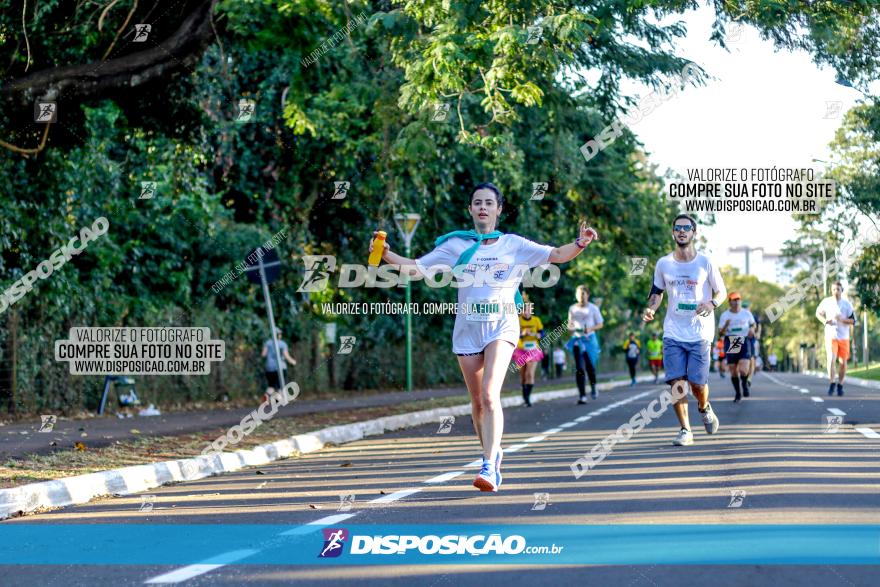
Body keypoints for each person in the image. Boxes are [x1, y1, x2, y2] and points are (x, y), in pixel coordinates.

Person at [370, 182, 599, 492]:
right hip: (467, 331)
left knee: (491, 395)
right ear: (470, 209)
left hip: (502, 327)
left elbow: (557, 254)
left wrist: (581, 243)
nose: (482, 207)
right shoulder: (455, 246)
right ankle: (492, 451)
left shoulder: (513, 245)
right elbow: (416, 270)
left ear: (498, 210)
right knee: (477, 402)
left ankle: (489, 466)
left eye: (489, 203)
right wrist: (385, 255)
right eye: (477, 202)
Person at [643, 213, 727, 446]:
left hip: (700, 333)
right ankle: (685, 430)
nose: (681, 231)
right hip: (673, 332)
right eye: (677, 228)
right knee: (677, 383)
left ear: (693, 233)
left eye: (686, 228)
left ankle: (704, 406)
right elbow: (656, 292)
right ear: (673, 232)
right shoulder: (663, 264)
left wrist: (711, 304)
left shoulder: (705, 262)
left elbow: (722, 292)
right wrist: (651, 309)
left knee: (697, 384)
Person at [815, 281, 856, 396]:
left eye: (838, 289)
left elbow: (853, 321)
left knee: (843, 362)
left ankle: (840, 385)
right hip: (831, 336)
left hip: (844, 337)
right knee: (831, 359)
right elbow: (818, 313)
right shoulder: (826, 302)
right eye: (834, 289)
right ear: (831, 291)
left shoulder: (847, 304)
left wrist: (842, 320)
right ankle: (832, 382)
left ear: (841, 290)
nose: (836, 291)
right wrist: (824, 321)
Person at [566, 285, 604, 403]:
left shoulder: (593, 308)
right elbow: (570, 324)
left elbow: (600, 324)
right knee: (579, 368)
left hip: (590, 341)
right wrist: (570, 329)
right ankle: (582, 395)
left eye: (583, 294)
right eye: (578, 294)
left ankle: (593, 386)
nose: (581, 296)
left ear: (588, 295)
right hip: (577, 340)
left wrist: (590, 329)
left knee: (590, 368)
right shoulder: (572, 308)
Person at [718, 292, 756, 403]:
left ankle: (744, 384)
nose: (737, 301)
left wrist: (753, 329)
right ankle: (738, 393)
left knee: (744, 370)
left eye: (738, 299)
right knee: (733, 371)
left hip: (743, 340)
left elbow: (753, 324)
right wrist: (726, 325)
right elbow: (720, 333)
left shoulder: (746, 313)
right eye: (734, 299)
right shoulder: (725, 315)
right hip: (731, 341)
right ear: (729, 302)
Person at [512, 299, 544, 407]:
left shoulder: (536, 320)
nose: (526, 312)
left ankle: (528, 398)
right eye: (524, 310)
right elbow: (513, 334)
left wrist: (538, 335)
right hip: (520, 349)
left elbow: (541, 333)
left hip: (533, 349)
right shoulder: (517, 320)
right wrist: (523, 333)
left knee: (529, 374)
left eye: (528, 310)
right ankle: (525, 397)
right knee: (523, 376)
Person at [261, 328, 297, 402]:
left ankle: (267, 397)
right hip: (280, 367)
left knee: (271, 385)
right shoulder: (282, 344)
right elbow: (286, 355)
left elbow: (263, 354)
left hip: (269, 367)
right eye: (280, 334)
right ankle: (279, 399)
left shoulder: (268, 343)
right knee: (281, 385)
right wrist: (293, 362)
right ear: (278, 335)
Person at [742, 300, 760, 385]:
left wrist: (757, 334)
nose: (745, 309)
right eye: (744, 307)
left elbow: (759, 326)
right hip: (740, 341)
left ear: (749, 307)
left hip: (751, 341)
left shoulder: (753, 316)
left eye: (746, 307)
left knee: (752, 359)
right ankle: (743, 377)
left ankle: (749, 378)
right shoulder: (740, 316)